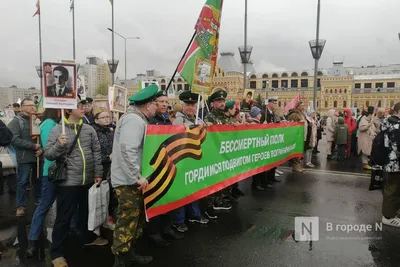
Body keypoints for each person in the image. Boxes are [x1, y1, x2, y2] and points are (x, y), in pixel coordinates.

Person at [111, 85, 157, 267]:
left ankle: (129, 252)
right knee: (127, 218)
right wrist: (135, 177)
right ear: (147, 105)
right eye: (155, 103)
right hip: (128, 181)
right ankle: (121, 257)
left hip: (133, 179)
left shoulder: (138, 119)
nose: (158, 107)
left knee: (135, 218)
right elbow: (126, 150)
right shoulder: (134, 120)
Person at [171, 91, 209, 233]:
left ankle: (194, 214)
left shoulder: (199, 120)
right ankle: (179, 220)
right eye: (187, 105)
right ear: (182, 106)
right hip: (182, 161)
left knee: (193, 189)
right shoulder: (178, 120)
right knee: (181, 191)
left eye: (193, 105)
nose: (190, 108)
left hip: (194, 160)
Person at [26, 109, 60, 259]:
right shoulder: (48, 124)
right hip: (51, 172)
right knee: (44, 205)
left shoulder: (60, 124)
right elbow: (49, 148)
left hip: (65, 172)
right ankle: (32, 240)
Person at [7, 98, 42, 216]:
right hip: (24, 157)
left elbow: (43, 137)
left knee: (38, 180)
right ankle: (20, 206)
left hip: (37, 157)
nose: (32, 107)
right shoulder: (16, 122)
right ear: (22, 107)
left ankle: (39, 201)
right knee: (22, 182)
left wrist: (41, 149)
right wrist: (33, 146)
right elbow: (14, 139)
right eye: (28, 105)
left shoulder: (38, 119)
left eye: (33, 105)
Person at [204, 90, 232, 219]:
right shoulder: (210, 117)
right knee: (214, 179)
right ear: (213, 103)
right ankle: (211, 204)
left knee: (223, 178)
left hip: (225, 152)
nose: (222, 103)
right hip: (215, 153)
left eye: (223, 101)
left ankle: (221, 199)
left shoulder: (225, 117)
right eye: (219, 101)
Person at [92, 110, 116, 231]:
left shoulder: (111, 131)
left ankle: (108, 218)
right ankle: (97, 223)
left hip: (111, 168)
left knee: (110, 195)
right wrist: (107, 157)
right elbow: (93, 152)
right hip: (100, 167)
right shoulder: (93, 132)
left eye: (108, 117)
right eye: (103, 117)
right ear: (96, 120)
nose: (107, 119)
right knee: (99, 196)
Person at [381, 102, 400, 227]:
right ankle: (387, 216)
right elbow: (397, 146)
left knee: (393, 189)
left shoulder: (387, 122)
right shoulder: (396, 126)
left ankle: (392, 213)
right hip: (395, 163)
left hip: (389, 162)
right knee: (392, 189)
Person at [287, 101, 307, 172]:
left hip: (301, 135)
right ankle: (295, 166)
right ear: (298, 107)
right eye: (302, 106)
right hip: (296, 135)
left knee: (299, 151)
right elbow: (292, 125)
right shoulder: (295, 115)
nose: (303, 107)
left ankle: (298, 165)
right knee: (296, 151)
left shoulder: (301, 114)